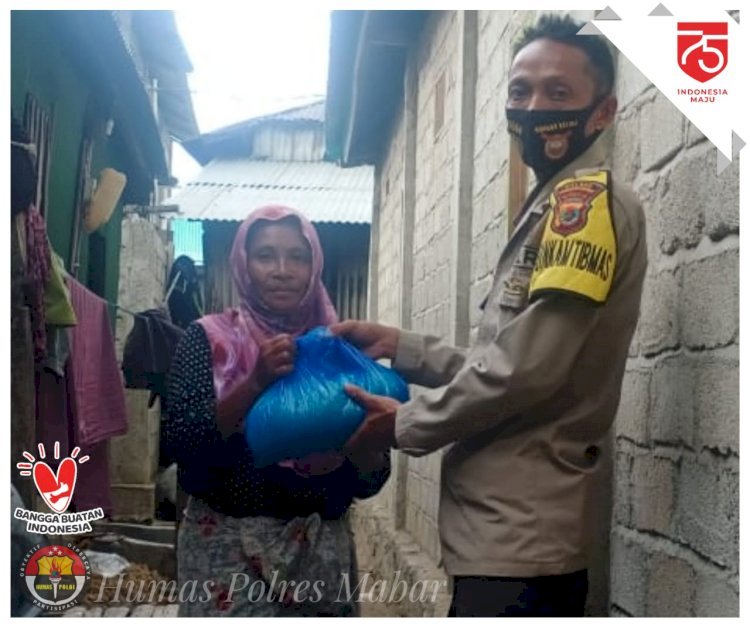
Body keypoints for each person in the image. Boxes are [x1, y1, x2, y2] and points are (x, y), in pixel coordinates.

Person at [332, 15, 647, 617]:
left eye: (558, 93)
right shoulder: (550, 205)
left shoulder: (584, 206)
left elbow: (524, 371)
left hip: (524, 543)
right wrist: (400, 345)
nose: (533, 109)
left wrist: (403, 424)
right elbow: (505, 358)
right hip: (503, 535)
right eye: (519, 92)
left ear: (602, 112)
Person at [164, 205, 390, 617]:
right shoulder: (207, 341)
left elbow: (372, 479)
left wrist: (367, 442)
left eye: (297, 257)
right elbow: (184, 445)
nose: (282, 269)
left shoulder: (340, 350)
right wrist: (254, 382)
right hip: (226, 555)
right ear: (243, 264)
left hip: (319, 556)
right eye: (265, 255)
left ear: (314, 265)